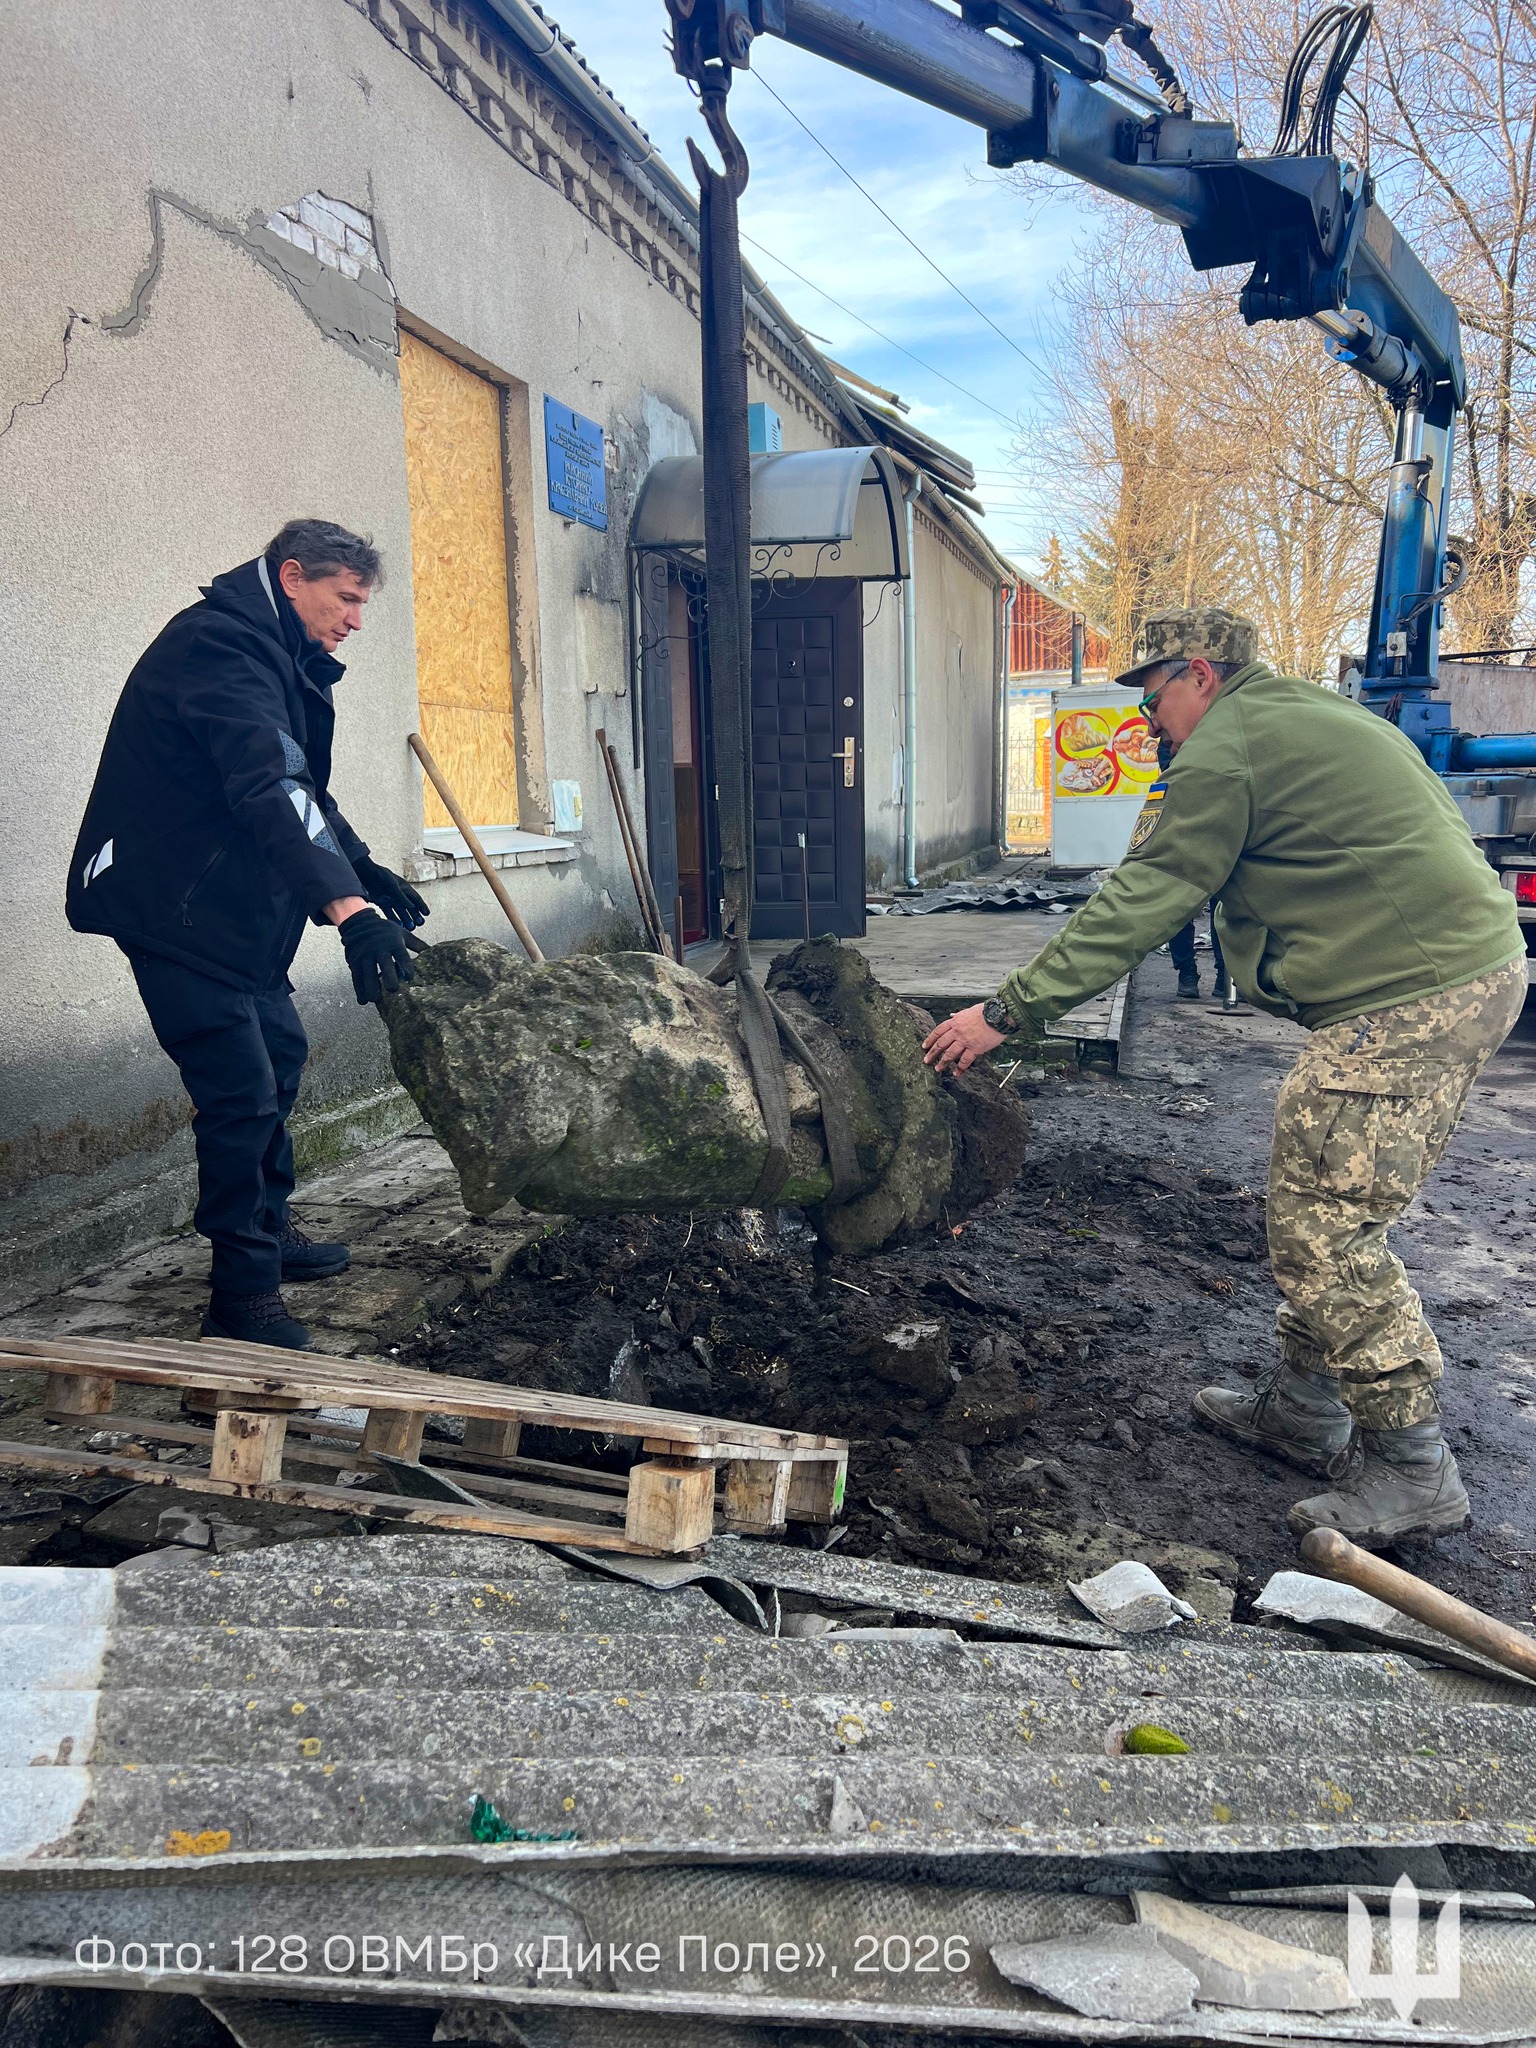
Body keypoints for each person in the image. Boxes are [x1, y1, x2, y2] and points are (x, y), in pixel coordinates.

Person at [922, 607, 1525, 1546]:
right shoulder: (1308, 714)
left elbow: (1149, 892)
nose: (1147, 721)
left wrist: (1006, 1012)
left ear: (1199, 673)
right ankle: (1304, 1412)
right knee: (1332, 1206)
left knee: (1324, 1232)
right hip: (1463, 975)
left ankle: (1414, 1470)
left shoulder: (1226, 749)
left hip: (1408, 999)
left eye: (1152, 698)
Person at [68, 520, 429, 1352]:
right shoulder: (220, 648)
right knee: (241, 1094)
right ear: (293, 577)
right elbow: (267, 780)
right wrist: (348, 912)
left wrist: (362, 868)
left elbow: (301, 783)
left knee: (281, 1058)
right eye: (347, 599)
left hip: (230, 912)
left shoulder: (273, 651)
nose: (355, 620)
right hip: (173, 908)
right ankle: (242, 1298)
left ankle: (267, 1226)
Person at [1159, 733, 1227, 1000]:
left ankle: (1223, 977)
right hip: (1185, 829)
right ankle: (1188, 973)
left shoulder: (1218, 733)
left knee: (1221, 907)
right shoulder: (1172, 737)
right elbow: (1174, 775)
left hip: (1214, 829)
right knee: (1181, 906)